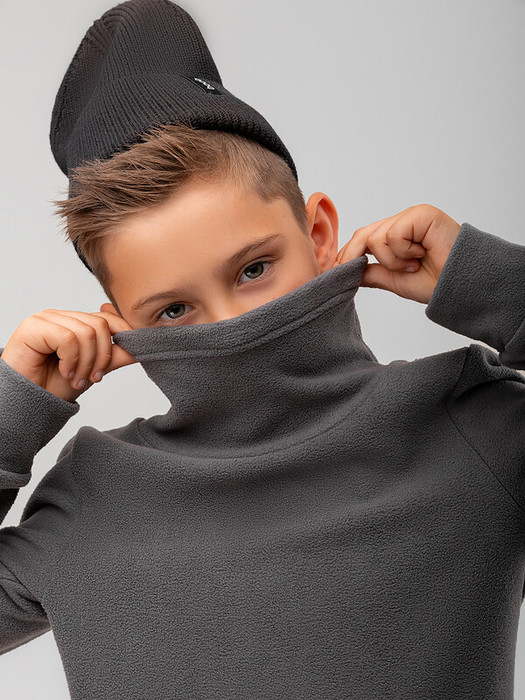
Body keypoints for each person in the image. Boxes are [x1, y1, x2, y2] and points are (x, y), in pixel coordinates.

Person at [1, 1, 524, 698]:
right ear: (119, 324)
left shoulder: (473, 427)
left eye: (253, 269)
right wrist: (10, 413)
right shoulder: (92, 496)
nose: (232, 324)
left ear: (319, 235)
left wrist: (491, 284)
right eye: (173, 310)